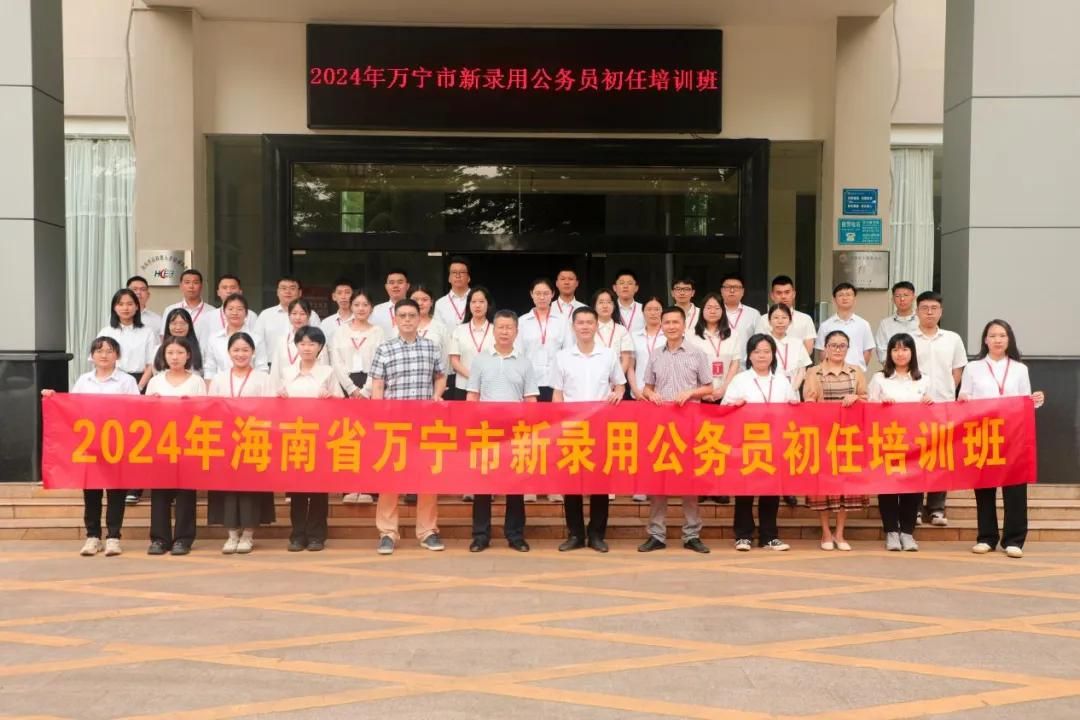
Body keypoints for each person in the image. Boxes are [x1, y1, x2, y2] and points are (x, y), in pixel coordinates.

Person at [41, 337, 139, 557]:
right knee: (91, 492)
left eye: (109, 351)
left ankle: (113, 537)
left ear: (117, 355)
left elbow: (136, 409)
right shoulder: (84, 380)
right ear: (92, 355)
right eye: (99, 351)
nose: (104, 355)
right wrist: (54, 397)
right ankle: (93, 536)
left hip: (116, 443)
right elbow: (72, 406)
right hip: (90, 444)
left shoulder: (126, 381)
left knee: (116, 491)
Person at [368, 298, 448, 555]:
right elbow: (377, 386)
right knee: (390, 478)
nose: (407, 320)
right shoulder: (385, 348)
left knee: (427, 478)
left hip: (424, 424)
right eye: (402, 316)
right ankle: (387, 532)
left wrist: (437, 395)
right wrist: (377, 417)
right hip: (393, 424)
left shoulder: (431, 347)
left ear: (419, 317)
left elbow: (441, 376)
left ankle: (428, 531)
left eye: (411, 315)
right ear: (395, 319)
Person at [961, 319, 1046, 559]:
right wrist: (964, 399)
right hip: (983, 434)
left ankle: (1014, 540)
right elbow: (964, 397)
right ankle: (986, 537)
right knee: (984, 488)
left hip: (1012, 435)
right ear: (985, 340)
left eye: (1002, 335)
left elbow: (1025, 402)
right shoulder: (973, 368)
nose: (997, 340)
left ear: (1009, 339)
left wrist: (1036, 400)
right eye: (993, 335)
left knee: (1015, 487)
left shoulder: (1019, 369)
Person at [638, 306, 713, 554]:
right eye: (667, 322)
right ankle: (656, 534)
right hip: (661, 427)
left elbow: (709, 387)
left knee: (688, 480)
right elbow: (647, 387)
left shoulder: (697, 354)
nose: (671, 326)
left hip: (689, 425)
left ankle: (692, 534)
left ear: (684, 325)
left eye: (675, 322)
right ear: (661, 326)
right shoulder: (655, 355)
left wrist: (690, 393)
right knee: (659, 479)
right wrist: (651, 394)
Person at [550, 307, 626, 553]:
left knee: (600, 482)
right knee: (571, 482)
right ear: (573, 327)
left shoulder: (608, 354)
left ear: (596, 326)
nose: (585, 326)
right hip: (571, 428)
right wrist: (559, 423)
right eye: (580, 322)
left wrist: (618, 394)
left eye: (589, 322)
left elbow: (620, 385)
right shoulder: (562, 356)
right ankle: (575, 534)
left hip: (600, 427)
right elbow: (557, 393)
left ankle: (596, 534)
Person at [467, 309, 538, 553]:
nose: (505, 332)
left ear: (516, 331)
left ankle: (515, 535)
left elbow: (531, 400)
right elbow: (472, 396)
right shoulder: (480, 360)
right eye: (500, 327)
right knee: (482, 485)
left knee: (515, 485)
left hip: (515, 432)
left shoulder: (525, 362)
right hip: (486, 431)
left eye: (509, 328)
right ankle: (480, 535)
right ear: (493, 330)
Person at [722, 333, 800, 552]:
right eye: (757, 351)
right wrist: (734, 406)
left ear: (773, 355)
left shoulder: (782, 380)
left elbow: (793, 407)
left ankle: (769, 536)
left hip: (775, 443)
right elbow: (724, 408)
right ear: (749, 355)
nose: (762, 356)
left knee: (771, 491)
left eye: (766, 351)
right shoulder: (740, 380)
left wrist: (794, 405)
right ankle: (743, 535)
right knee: (744, 491)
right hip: (747, 442)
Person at [274, 326, 343, 551]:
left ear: (320, 347)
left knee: (319, 490)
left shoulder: (328, 372)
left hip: (320, 439)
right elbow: (273, 405)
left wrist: (330, 398)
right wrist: (279, 397)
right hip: (294, 438)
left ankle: (316, 535)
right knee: (297, 490)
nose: (307, 348)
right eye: (302, 343)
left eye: (312, 344)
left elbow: (340, 405)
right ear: (296, 346)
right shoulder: (286, 372)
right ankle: (297, 535)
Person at [207, 332, 276, 553]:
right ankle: (231, 535)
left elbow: (271, 410)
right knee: (228, 488)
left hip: (254, 440)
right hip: (226, 441)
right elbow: (211, 409)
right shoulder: (219, 379)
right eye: (236, 350)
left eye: (245, 350)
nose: (240, 354)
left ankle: (248, 535)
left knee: (250, 489)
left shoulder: (264, 379)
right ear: (229, 352)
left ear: (253, 352)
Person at [803, 329, 869, 551]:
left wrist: (856, 397)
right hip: (822, 436)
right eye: (833, 345)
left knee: (845, 486)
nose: (837, 349)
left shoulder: (856, 371)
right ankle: (825, 532)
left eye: (842, 345)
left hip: (849, 437)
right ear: (825, 348)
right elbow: (809, 399)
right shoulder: (814, 372)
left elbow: (866, 399)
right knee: (823, 486)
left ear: (848, 349)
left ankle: (840, 533)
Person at [868, 333, 932, 552]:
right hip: (888, 442)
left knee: (912, 488)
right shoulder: (880, 378)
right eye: (895, 349)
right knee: (888, 488)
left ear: (912, 352)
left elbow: (933, 412)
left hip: (915, 444)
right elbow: (868, 408)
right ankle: (891, 532)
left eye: (905, 349)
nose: (900, 354)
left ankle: (907, 532)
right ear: (889, 353)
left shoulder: (923, 379)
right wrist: (880, 404)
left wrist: (929, 402)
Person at [145, 336, 206, 555]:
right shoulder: (155, 381)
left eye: (180, 353)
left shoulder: (197, 381)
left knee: (185, 492)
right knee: (160, 492)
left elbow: (206, 412)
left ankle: (183, 538)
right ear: (163, 355)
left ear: (188, 355)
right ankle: (159, 539)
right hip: (161, 442)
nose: (175, 357)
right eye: (170, 353)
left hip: (188, 442)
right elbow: (145, 414)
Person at [912, 290, 968, 526]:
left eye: (934, 308)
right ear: (917, 311)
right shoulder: (908, 338)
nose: (929, 312)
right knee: (916, 457)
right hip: (915, 406)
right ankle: (914, 508)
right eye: (925, 308)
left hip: (944, 405)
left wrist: (948, 392)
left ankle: (936, 508)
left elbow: (958, 370)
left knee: (940, 457)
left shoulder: (952, 339)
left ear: (941, 312)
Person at [516, 278, 572, 503]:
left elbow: (568, 352)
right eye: (537, 293)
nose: (541, 297)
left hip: (554, 385)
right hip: (529, 386)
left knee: (553, 436)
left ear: (552, 295)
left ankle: (552, 485)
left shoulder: (563, 322)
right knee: (528, 436)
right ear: (531, 294)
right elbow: (518, 355)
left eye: (546, 293)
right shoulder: (522, 321)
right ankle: (529, 485)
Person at [330, 289, 385, 505]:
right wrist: (351, 389)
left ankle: (369, 487)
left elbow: (380, 361)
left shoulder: (378, 332)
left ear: (371, 308)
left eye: (365, 305)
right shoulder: (340, 332)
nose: (361, 309)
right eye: (357, 305)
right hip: (346, 386)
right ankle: (349, 487)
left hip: (372, 385)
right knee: (348, 437)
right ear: (350, 307)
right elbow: (336, 362)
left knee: (370, 437)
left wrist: (366, 390)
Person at [686, 292, 738, 505]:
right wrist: (702, 390)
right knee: (700, 441)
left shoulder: (732, 335)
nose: (713, 311)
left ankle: (719, 486)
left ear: (722, 311)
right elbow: (688, 365)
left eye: (717, 307)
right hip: (700, 395)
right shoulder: (692, 335)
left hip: (724, 395)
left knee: (722, 442)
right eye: (709, 307)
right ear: (702, 311)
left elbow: (735, 363)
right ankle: (701, 486)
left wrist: (724, 388)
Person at [627, 296, 664, 503]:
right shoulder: (634, 336)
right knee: (641, 443)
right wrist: (635, 388)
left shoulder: (669, 334)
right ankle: (641, 485)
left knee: (663, 441)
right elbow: (631, 366)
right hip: (640, 394)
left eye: (657, 309)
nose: (653, 312)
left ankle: (661, 484)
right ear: (643, 313)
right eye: (649, 309)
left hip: (663, 396)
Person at [98, 288, 156, 393]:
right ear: (114, 308)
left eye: (130, 304)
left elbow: (151, 364)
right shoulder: (106, 332)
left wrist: (139, 387)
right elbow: (98, 360)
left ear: (137, 307)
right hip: (111, 381)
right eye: (120, 304)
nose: (125, 308)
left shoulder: (147, 332)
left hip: (139, 381)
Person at [203, 293, 269, 379]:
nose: (234, 313)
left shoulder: (256, 339)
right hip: (221, 385)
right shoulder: (214, 339)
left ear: (246, 313)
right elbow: (210, 369)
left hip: (250, 385)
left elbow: (262, 368)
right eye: (230, 309)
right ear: (224, 312)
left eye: (239, 309)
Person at [449, 286, 496, 401]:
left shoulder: (495, 330)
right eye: (473, 302)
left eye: (481, 302)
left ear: (488, 304)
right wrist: (473, 377)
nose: (477, 305)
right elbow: (454, 361)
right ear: (468, 305)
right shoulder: (459, 330)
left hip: (491, 386)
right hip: (463, 386)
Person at [269, 299, 328, 389]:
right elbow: (275, 371)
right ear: (289, 316)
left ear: (309, 316)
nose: (298, 317)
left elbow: (324, 369)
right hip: (284, 391)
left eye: (302, 314)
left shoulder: (317, 339)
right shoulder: (282, 341)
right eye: (294, 313)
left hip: (310, 389)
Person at [254, 276, 321, 355]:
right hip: (271, 362)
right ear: (277, 292)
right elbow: (257, 342)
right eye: (283, 288)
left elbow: (318, 341)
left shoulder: (312, 315)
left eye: (292, 288)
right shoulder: (265, 315)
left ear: (300, 293)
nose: (288, 291)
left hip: (303, 361)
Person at [814, 283, 875, 370]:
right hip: (832, 373)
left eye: (848, 295)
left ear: (854, 299)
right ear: (834, 299)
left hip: (856, 372)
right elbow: (822, 352)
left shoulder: (863, 324)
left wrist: (858, 370)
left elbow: (867, 351)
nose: (845, 298)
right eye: (840, 295)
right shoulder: (826, 325)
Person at [754, 275, 816, 354]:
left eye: (787, 292)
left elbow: (808, 350)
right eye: (779, 293)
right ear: (772, 296)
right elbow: (758, 346)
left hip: (798, 361)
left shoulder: (805, 319)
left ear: (794, 294)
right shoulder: (763, 319)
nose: (783, 296)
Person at [161, 269, 218, 349]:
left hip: (203, 355)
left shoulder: (212, 311)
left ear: (201, 286)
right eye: (187, 282)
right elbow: (164, 336)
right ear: (181, 286)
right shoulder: (170, 309)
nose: (191, 286)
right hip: (177, 354)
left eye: (195, 282)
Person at [592, 288, 635, 388]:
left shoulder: (622, 330)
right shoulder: (589, 329)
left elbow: (626, 360)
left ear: (614, 306)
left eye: (609, 302)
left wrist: (615, 382)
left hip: (617, 385)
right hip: (593, 381)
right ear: (594, 306)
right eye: (601, 302)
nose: (605, 306)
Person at [766, 303, 812, 393]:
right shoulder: (761, 342)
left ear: (790, 321)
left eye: (784, 317)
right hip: (768, 391)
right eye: (776, 318)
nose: (780, 321)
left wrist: (793, 390)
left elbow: (802, 370)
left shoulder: (797, 343)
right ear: (769, 321)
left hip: (793, 390)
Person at [875, 281, 918, 363]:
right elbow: (882, 351)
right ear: (893, 299)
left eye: (906, 295)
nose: (902, 299)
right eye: (898, 296)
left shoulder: (921, 322)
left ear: (914, 297)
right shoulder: (885, 324)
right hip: (893, 369)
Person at [719, 273, 762, 353]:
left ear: (743, 291)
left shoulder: (753, 314)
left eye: (736, 287)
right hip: (719, 359)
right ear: (721, 291)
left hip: (746, 360)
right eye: (728, 287)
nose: (732, 290)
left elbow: (760, 341)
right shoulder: (714, 312)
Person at [433, 256, 471, 330]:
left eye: (462, 272)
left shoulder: (479, 300)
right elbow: (437, 331)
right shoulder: (440, 303)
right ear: (449, 278)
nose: (458, 276)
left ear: (469, 278)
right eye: (454, 272)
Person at [371, 269, 410, 335]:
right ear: (386, 287)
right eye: (392, 283)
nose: (395, 286)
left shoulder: (415, 308)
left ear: (407, 286)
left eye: (400, 282)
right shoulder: (377, 310)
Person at [320, 278, 355, 346]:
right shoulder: (326, 323)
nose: (343, 297)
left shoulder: (361, 321)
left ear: (354, 295)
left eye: (347, 292)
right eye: (339, 293)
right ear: (334, 296)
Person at [127, 275, 162, 340]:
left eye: (142, 289)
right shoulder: (116, 317)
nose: (138, 292)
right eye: (134, 289)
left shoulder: (158, 319)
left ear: (148, 295)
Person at [612, 269, 645, 335]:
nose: (625, 286)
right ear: (614, 287)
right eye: (621, 283)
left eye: (630, 283)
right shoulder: (609, 309)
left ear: (636, 288)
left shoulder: (644, 309)